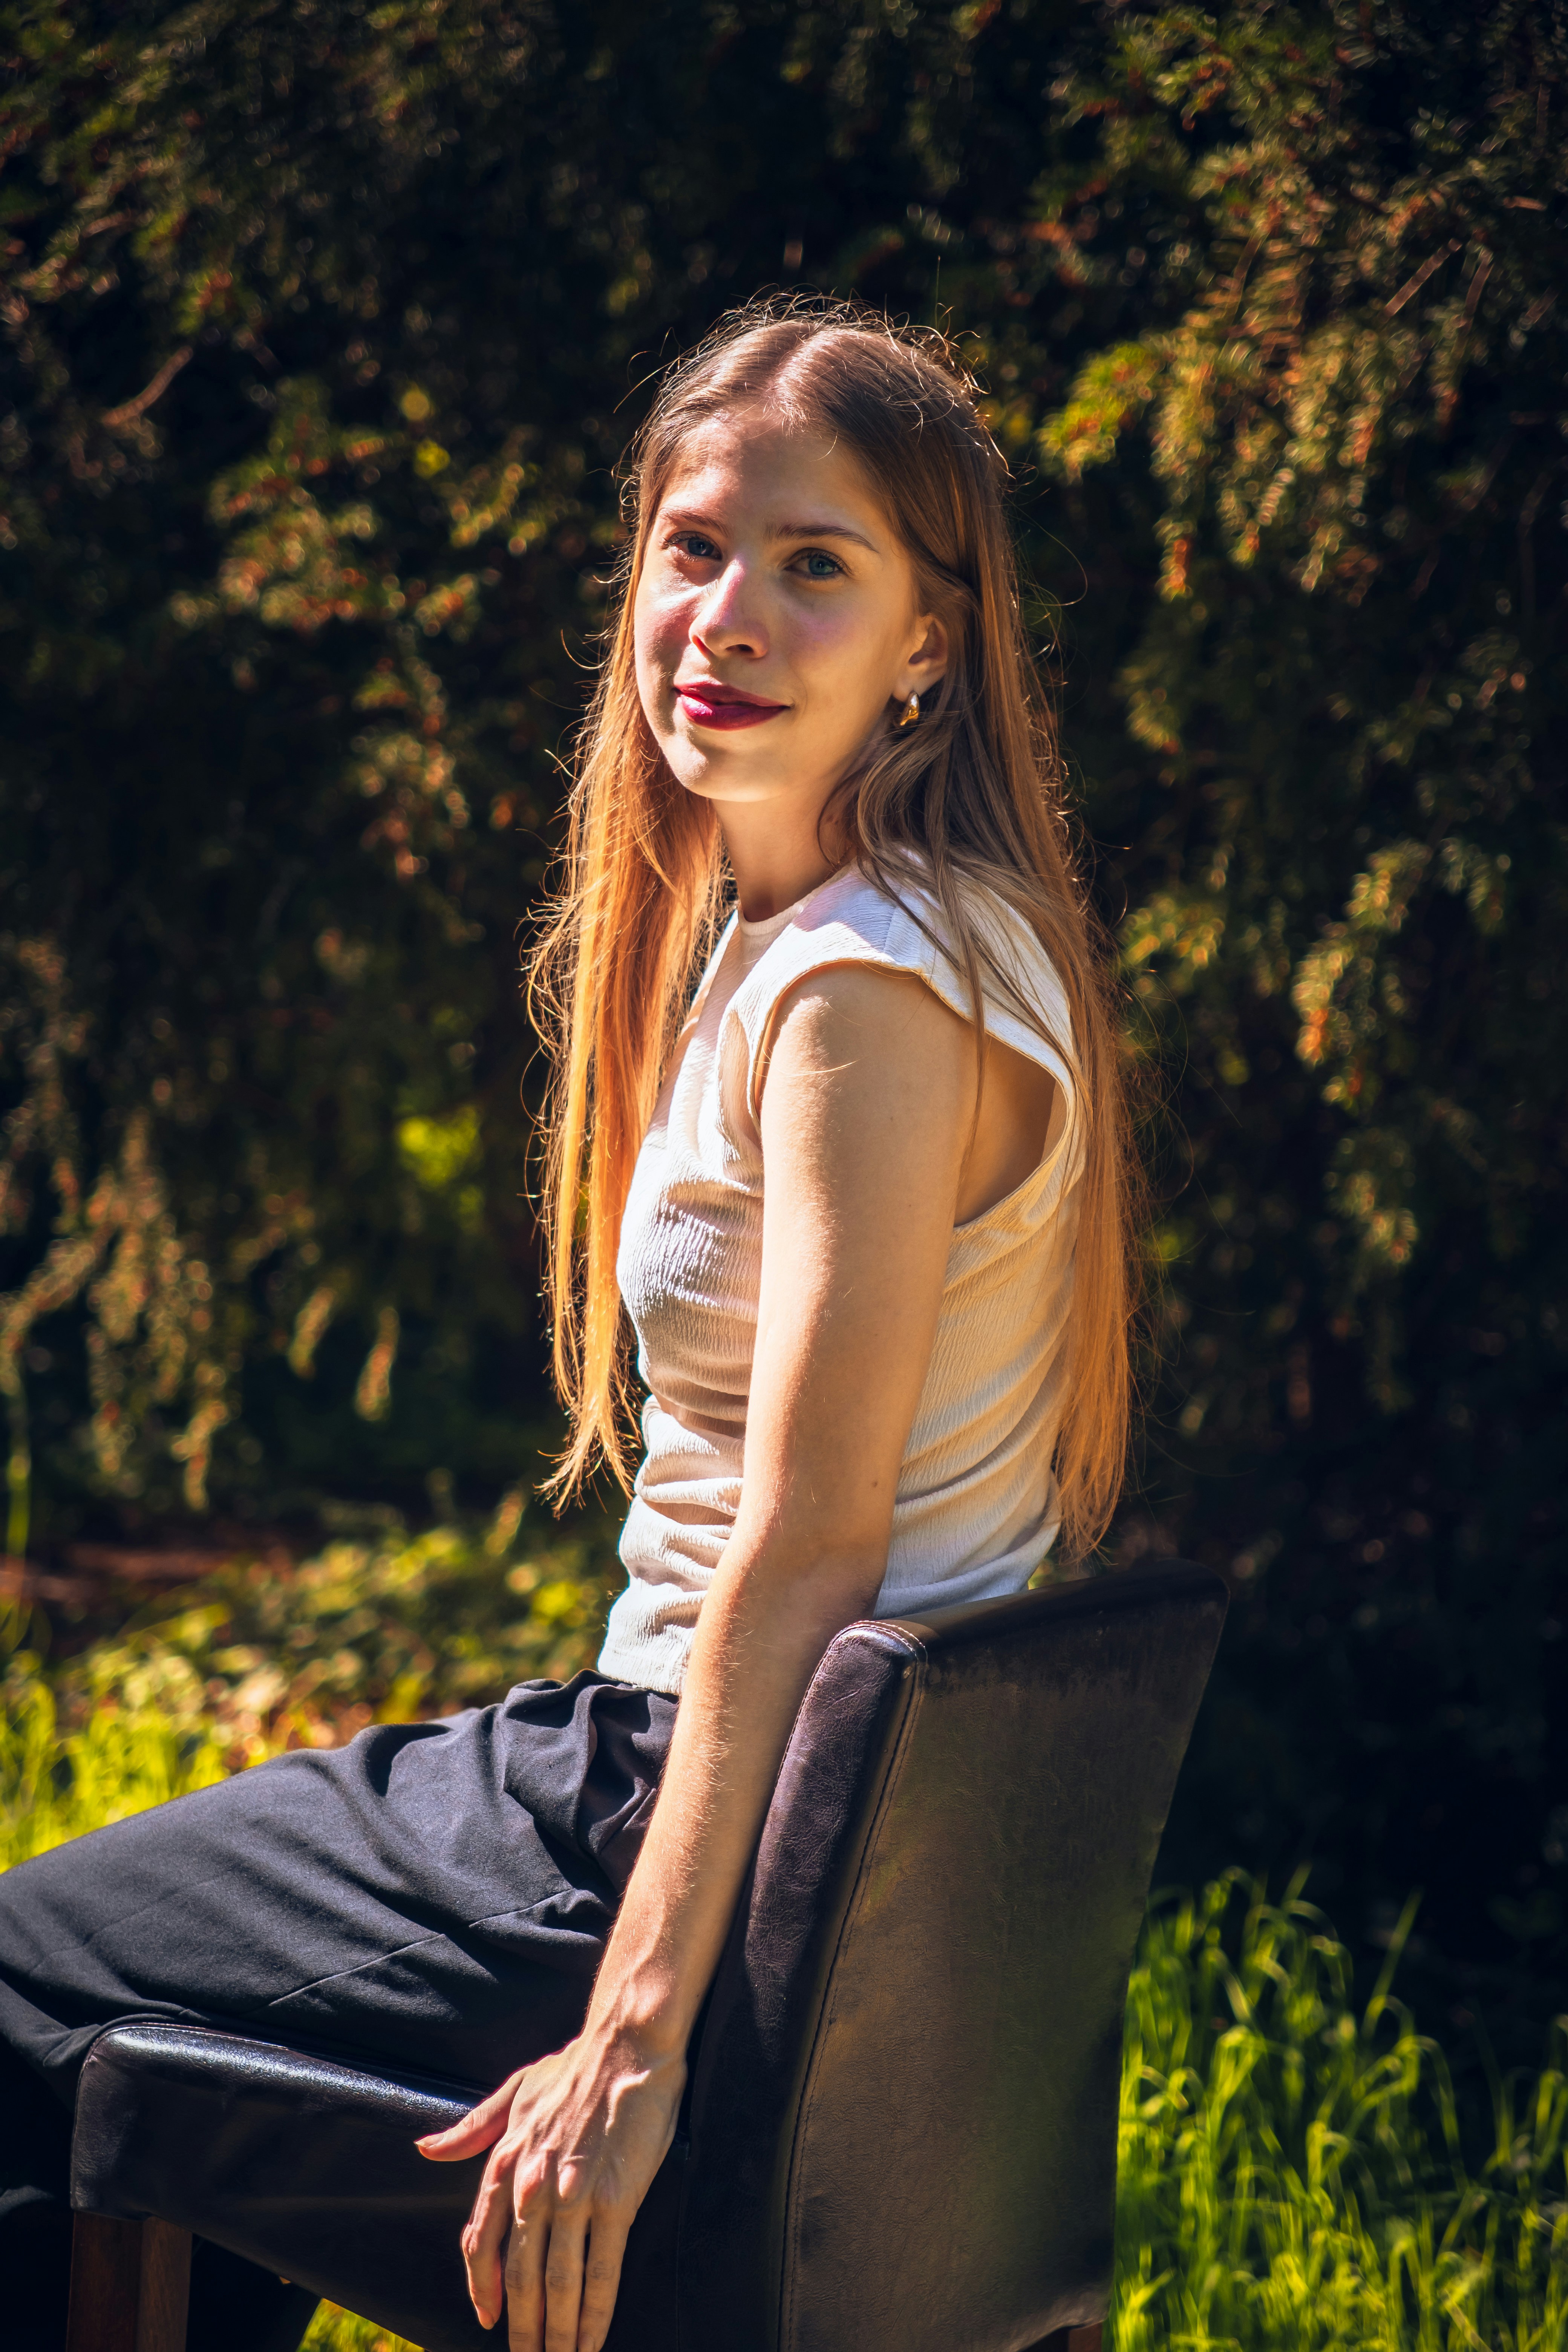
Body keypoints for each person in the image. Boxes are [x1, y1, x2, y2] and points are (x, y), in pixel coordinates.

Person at [0, 300, 1136, 2352]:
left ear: (932, 642)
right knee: (125, 2046)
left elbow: (811, 1546)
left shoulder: (859, 996)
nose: (727, 612)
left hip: (658, 1814)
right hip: (748, 1799)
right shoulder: (939, 927)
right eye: (693, 546)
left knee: (17, 1983)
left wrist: (630, 2044)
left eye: (817, 564)